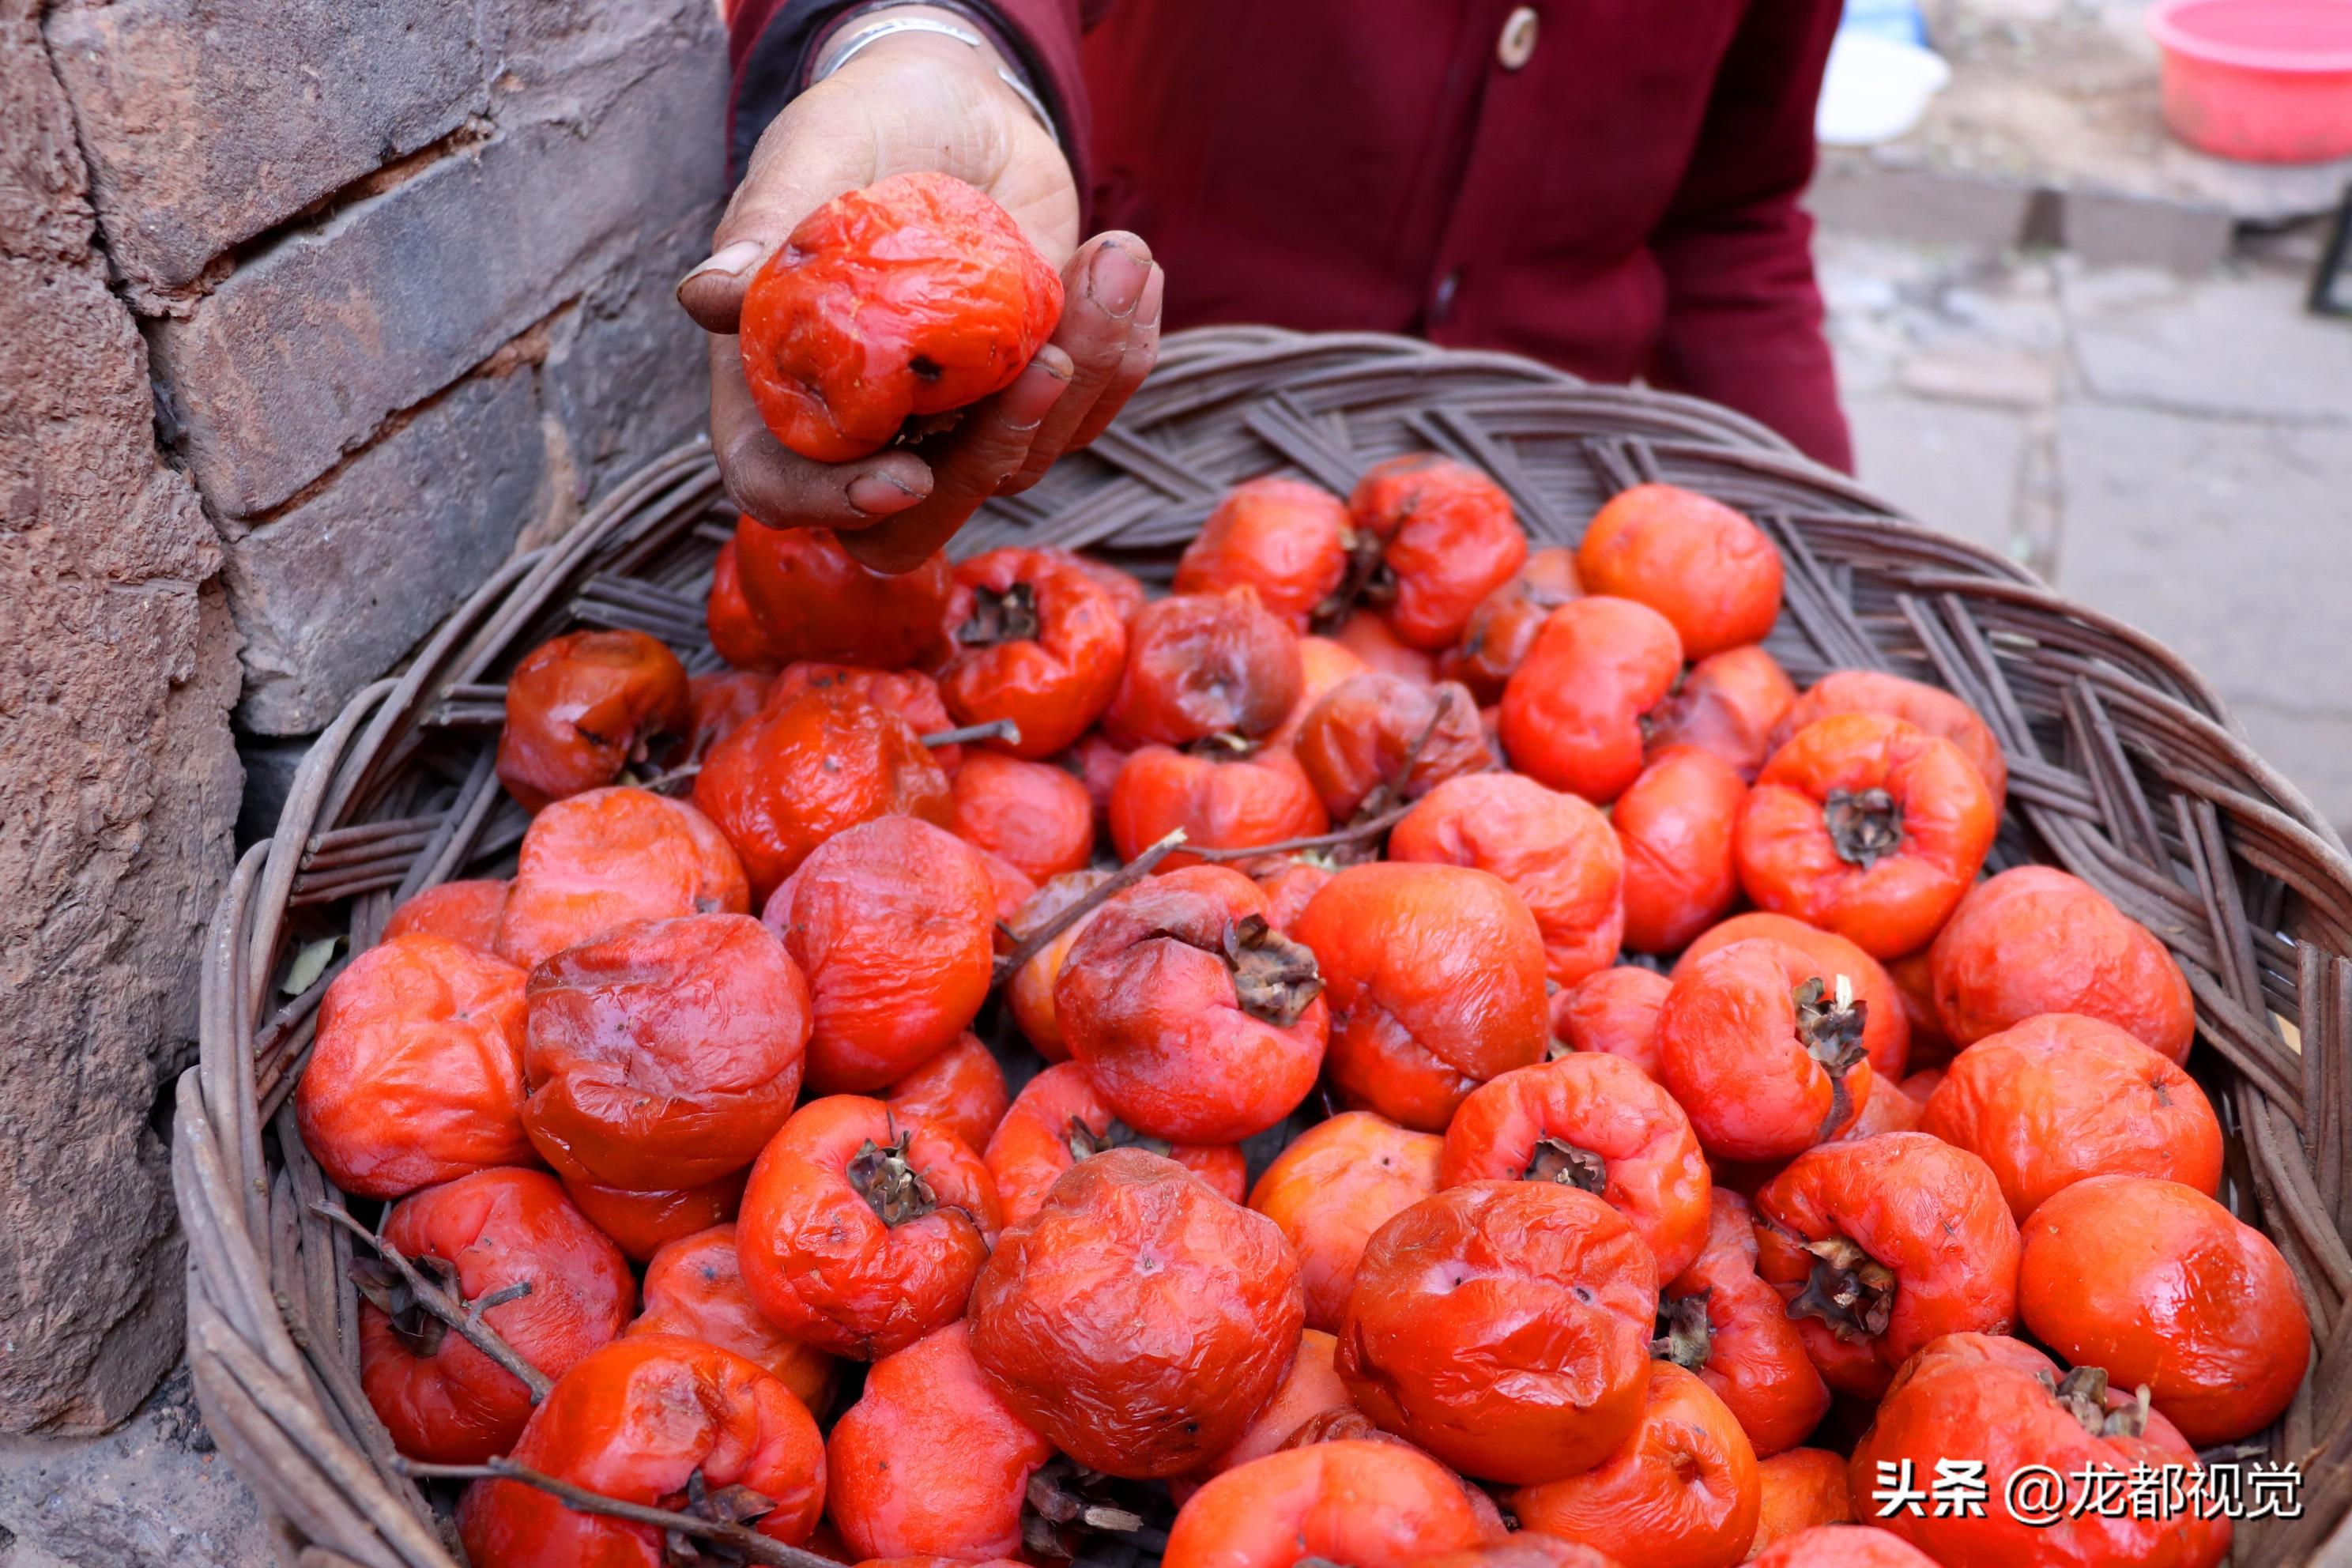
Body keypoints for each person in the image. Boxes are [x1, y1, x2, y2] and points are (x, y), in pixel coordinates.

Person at [679, 0, 1849, 572]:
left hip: (1535, 537)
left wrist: (1819, 536)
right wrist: (930, 37)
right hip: (1087, 480)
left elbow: (1731, 212)